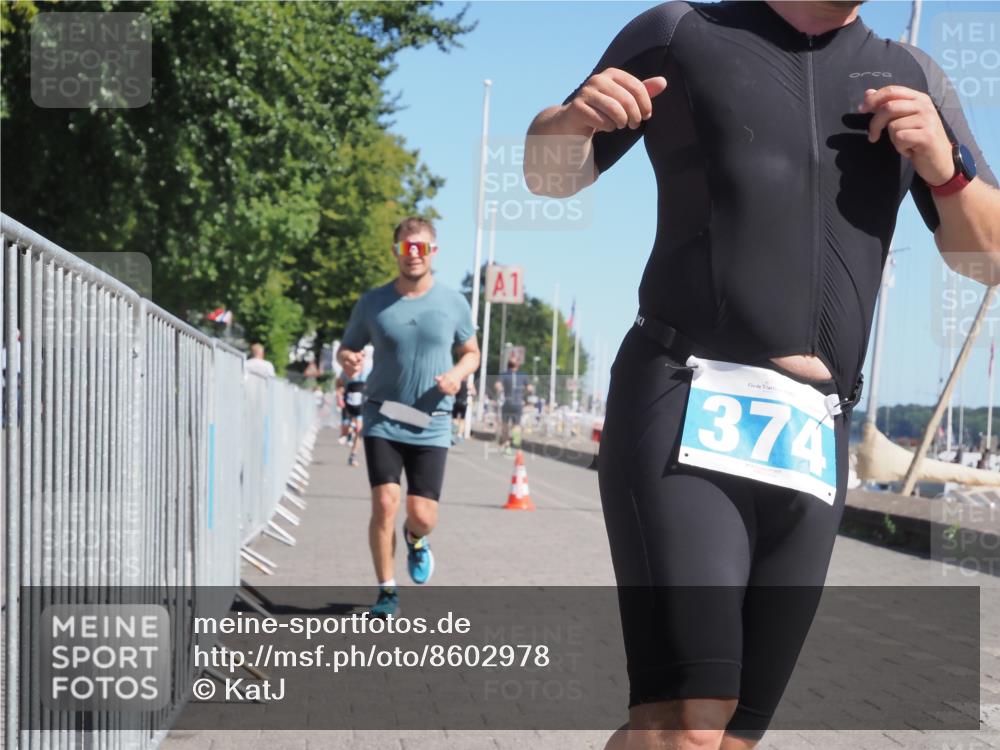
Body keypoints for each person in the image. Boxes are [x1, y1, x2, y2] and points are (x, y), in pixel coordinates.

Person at [525, 2, 999, 749]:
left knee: (730, 733)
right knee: (687, 720)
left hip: (812, 432)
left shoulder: (914, 76)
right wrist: (571, 120)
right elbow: (549, 181)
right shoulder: (681, 33)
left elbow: (989, 259)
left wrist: (947, 168)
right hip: (683, 399)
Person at [337, 217, 480, 618]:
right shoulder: (373, 303)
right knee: (384, 501)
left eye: (421, 248)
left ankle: (416, 538)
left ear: (433, 252)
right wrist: (347, 359)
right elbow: (347, 350)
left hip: (431, 420)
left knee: (422, 514)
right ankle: (386, 592)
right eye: (406, 247)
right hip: (383, 415)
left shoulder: (453, 302)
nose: (413, 254)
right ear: (396, 251)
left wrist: (456, 373)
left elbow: (472, 352)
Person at [497, 357, 528, 456]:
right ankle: (516, 439)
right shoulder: (523, 375)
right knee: (516, 424)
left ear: (508, 365)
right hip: (518, 403)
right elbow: (530, 388)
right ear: (518, 365)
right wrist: (523, 394)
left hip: (507, 401)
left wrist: (501, 390)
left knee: (505, 424)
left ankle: (507, 446)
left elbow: (498, 386)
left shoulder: (504, 375)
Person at [336, 368, 367, 467]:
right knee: (345, 429)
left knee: (360, 431)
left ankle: (352, 456)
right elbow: (339, 384)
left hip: (362, 404)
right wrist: (339, 396)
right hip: (348, 403)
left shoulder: (369, 368)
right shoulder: (346, 370)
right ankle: (348, 432)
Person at [451, 378, 475, 445]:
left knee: (455, 418)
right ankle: (459, 435)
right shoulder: (469, 383)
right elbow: (474, 392)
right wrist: (470, 393)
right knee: (462, 420)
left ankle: (454, 433)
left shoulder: (457, 381)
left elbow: (453, 391)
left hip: (456, 402)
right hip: (464, 403)